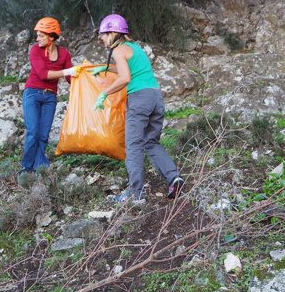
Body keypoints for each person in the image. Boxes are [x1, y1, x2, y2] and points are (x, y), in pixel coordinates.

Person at [92, 14, 184, 203]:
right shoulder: (135, 48)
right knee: (150, 142)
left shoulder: (118, 50)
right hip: (156, 97)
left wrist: (104, 93)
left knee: (133, 146)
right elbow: (130, 70)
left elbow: (125, 78)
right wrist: (105, 68)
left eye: (103, 34)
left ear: (113, 33)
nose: (100, 38)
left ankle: (136, 194)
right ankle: (174, 177)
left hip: (140, 98)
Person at [22, 17, 81, 172]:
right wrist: (67, 71)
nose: (37, 38)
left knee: (43, 135)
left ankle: (38, 167)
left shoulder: (64, 54)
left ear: (51, 36)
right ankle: (26, 169)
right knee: (33, 132)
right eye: (38, 35)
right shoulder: (35, 50)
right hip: (32, 94)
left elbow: (70, 78)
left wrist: (84, 77)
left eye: (41, 35)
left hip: (50, 98)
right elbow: (42, 74)